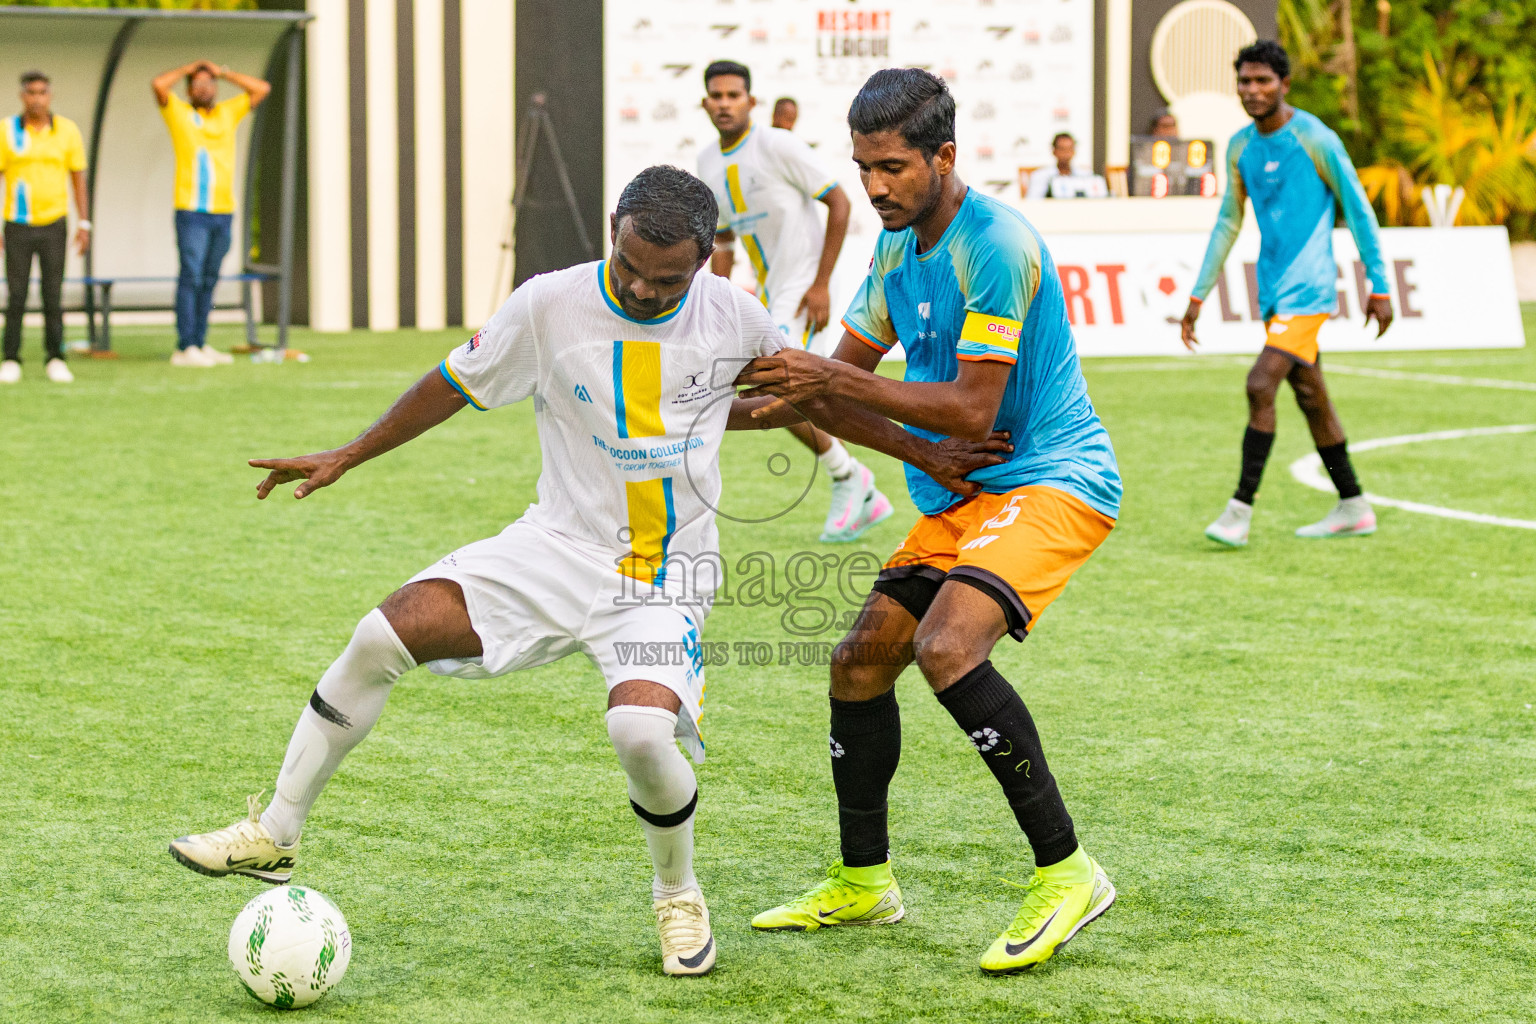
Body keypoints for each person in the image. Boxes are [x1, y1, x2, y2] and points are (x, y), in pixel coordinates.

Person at [164, 166, 1004, 978]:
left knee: (639, 733)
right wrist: (348, 454)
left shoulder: (734, 316)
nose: (643, 290)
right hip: (552, 548)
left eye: (666, 279)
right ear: (613, 234)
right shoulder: (549, 302)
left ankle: (677, 892)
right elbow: (455, 383)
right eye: (630, 267)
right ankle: (275, 834)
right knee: (382, 633)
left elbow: (814, 398)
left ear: (708, 259)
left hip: (663, 574)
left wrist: (925, 451)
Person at [738, 68, 1123, 975]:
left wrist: (829, 382)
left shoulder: (997, 244)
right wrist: (688, 403)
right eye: (864, 166)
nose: (874, 187)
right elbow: (834, 393)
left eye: (893, 167)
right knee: (860, 662)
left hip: (1053, 478)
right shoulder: (894, 247)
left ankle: (1069, 872)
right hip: (963, 492)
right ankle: (864, 883)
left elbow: (969, 408)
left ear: (944, 157)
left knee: (950, 646)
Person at [1181, 40, 1391, 546]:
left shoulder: (1314, 137)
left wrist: (1379, 284)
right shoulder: (1240, 146)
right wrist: (1197, 296)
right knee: (1311, 396)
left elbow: (1358, 208)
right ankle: (1353, 503)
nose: (1253, 91)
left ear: (1284, 84)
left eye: (1263, 81)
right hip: (1273, 292)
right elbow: (1228, 220)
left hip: (1311, 290)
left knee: (1260, 384)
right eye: (1245, 81)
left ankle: (1239, 510)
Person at [698, 61, 893, 543]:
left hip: (805, 291)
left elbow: (840, 202)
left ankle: (853, 477)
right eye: (716, 95)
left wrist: (822, 283)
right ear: (705, 103)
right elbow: (723, 241)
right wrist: (714, 301)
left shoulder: (776, 145)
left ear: (751, 101)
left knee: (778, 390)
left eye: (733, 94)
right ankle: (852, 478)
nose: (725, 103)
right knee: (779, 392)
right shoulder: (706, 162)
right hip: (767, 298)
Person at [152, 59, 269, 367]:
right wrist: (187, 67)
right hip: (192, 210)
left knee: (210, 278)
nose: (204, 89)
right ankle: (185, 345)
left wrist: (224, 72)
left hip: (223, 211)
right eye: (198, 84)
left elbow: (262, 88)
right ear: (189, 90)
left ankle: (200, 342)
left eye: (209, 84)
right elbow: (159, 85)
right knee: (191, 276)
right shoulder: (180, 114)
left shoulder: (227, 113)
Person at [0, 71, 89, 385]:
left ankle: (55, 358)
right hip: (18, 225)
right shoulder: (7, 130)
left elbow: (78, 177)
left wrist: (84, 222)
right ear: (22, 96)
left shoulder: (66, 131)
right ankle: (10, 358)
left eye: (42, 92)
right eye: (31, 92)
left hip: (54, 223)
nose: (37, 98)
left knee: (53, 295)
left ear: (49, 96)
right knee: (17, 294)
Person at [1025, 132, 1107, 199]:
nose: (1066, 154)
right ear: (1054, 151)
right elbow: (1033, 202)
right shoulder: (1040, 176)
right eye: (1062, 149)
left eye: (1070, 149)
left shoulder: (1086, 175)